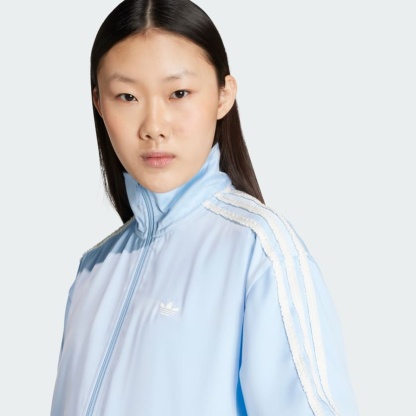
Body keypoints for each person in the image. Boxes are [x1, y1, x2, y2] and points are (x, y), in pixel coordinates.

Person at [50, 0, 359, 414]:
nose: (153, 127)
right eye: (127, 96)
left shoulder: (260, 254)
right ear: (99, 104)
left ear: (223, 95)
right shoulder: (93, 271)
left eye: (179, 93)